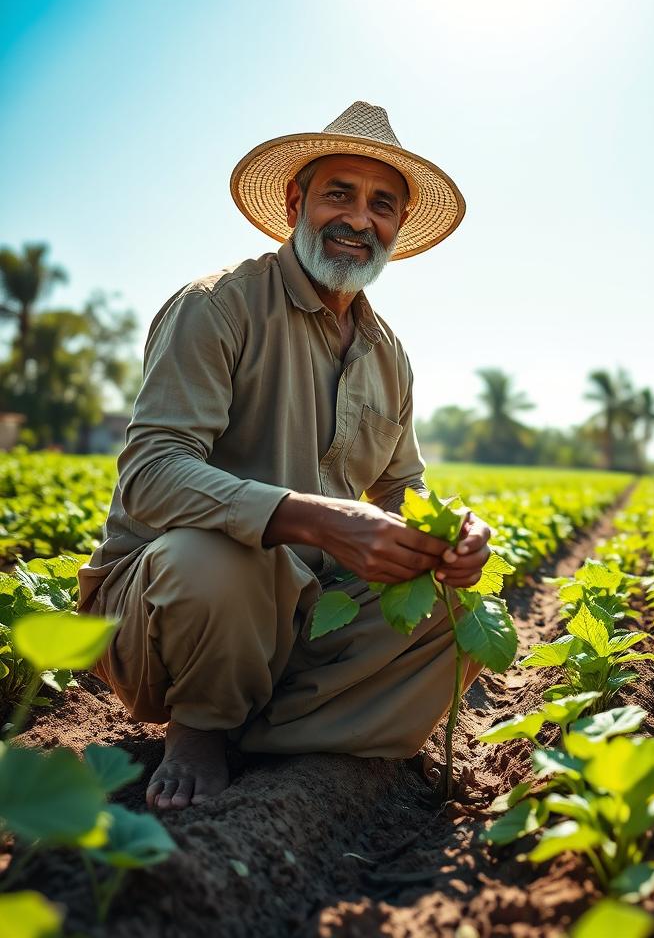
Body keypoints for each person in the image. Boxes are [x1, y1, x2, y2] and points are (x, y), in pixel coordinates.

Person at [77, 101, 493, 811]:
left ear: (395, 227)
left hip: (305, 615)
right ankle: (202, 727)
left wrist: (448, 538)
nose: (360, 219)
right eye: (340, 193)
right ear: (297, 202)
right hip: (171, 608)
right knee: (221, 556)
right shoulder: (218, 307)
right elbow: (150, 474)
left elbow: (404, 489)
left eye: (381, 205)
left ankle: (264, 731)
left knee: (459, 613)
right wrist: (313, 519)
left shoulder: (388, 354)